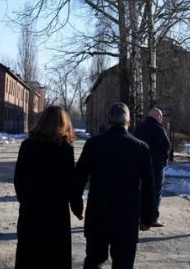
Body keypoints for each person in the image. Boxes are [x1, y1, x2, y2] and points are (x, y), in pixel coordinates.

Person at [74, 103, 154, 269]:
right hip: (127, 217)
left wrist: (76, 205)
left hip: (98, 214)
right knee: (123, 263)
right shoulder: (140, 148)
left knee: (94, 260)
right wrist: (147, 216)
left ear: (107, 121)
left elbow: (79, 177)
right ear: (129, 122)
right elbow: (149, 186)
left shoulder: (93, 145)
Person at [14, 106, 83, 269]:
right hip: (56, 213)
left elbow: (19, 178)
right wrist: (76, 207)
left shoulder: (27, 145)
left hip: (31, 210)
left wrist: (24, 199)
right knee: (55, 258)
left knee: (29, 256)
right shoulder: (65, 149)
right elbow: (69, 183)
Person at [134, 107, 171, 227]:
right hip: (155, 165)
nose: (161, 118)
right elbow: (166, 146)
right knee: (155, 191)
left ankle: (139, 216)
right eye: (160, 116)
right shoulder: (158, 128)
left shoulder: (139, 127)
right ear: (157, 116)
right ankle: (153, 218)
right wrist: (164, 160)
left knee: (141, 190)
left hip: (140, 164)